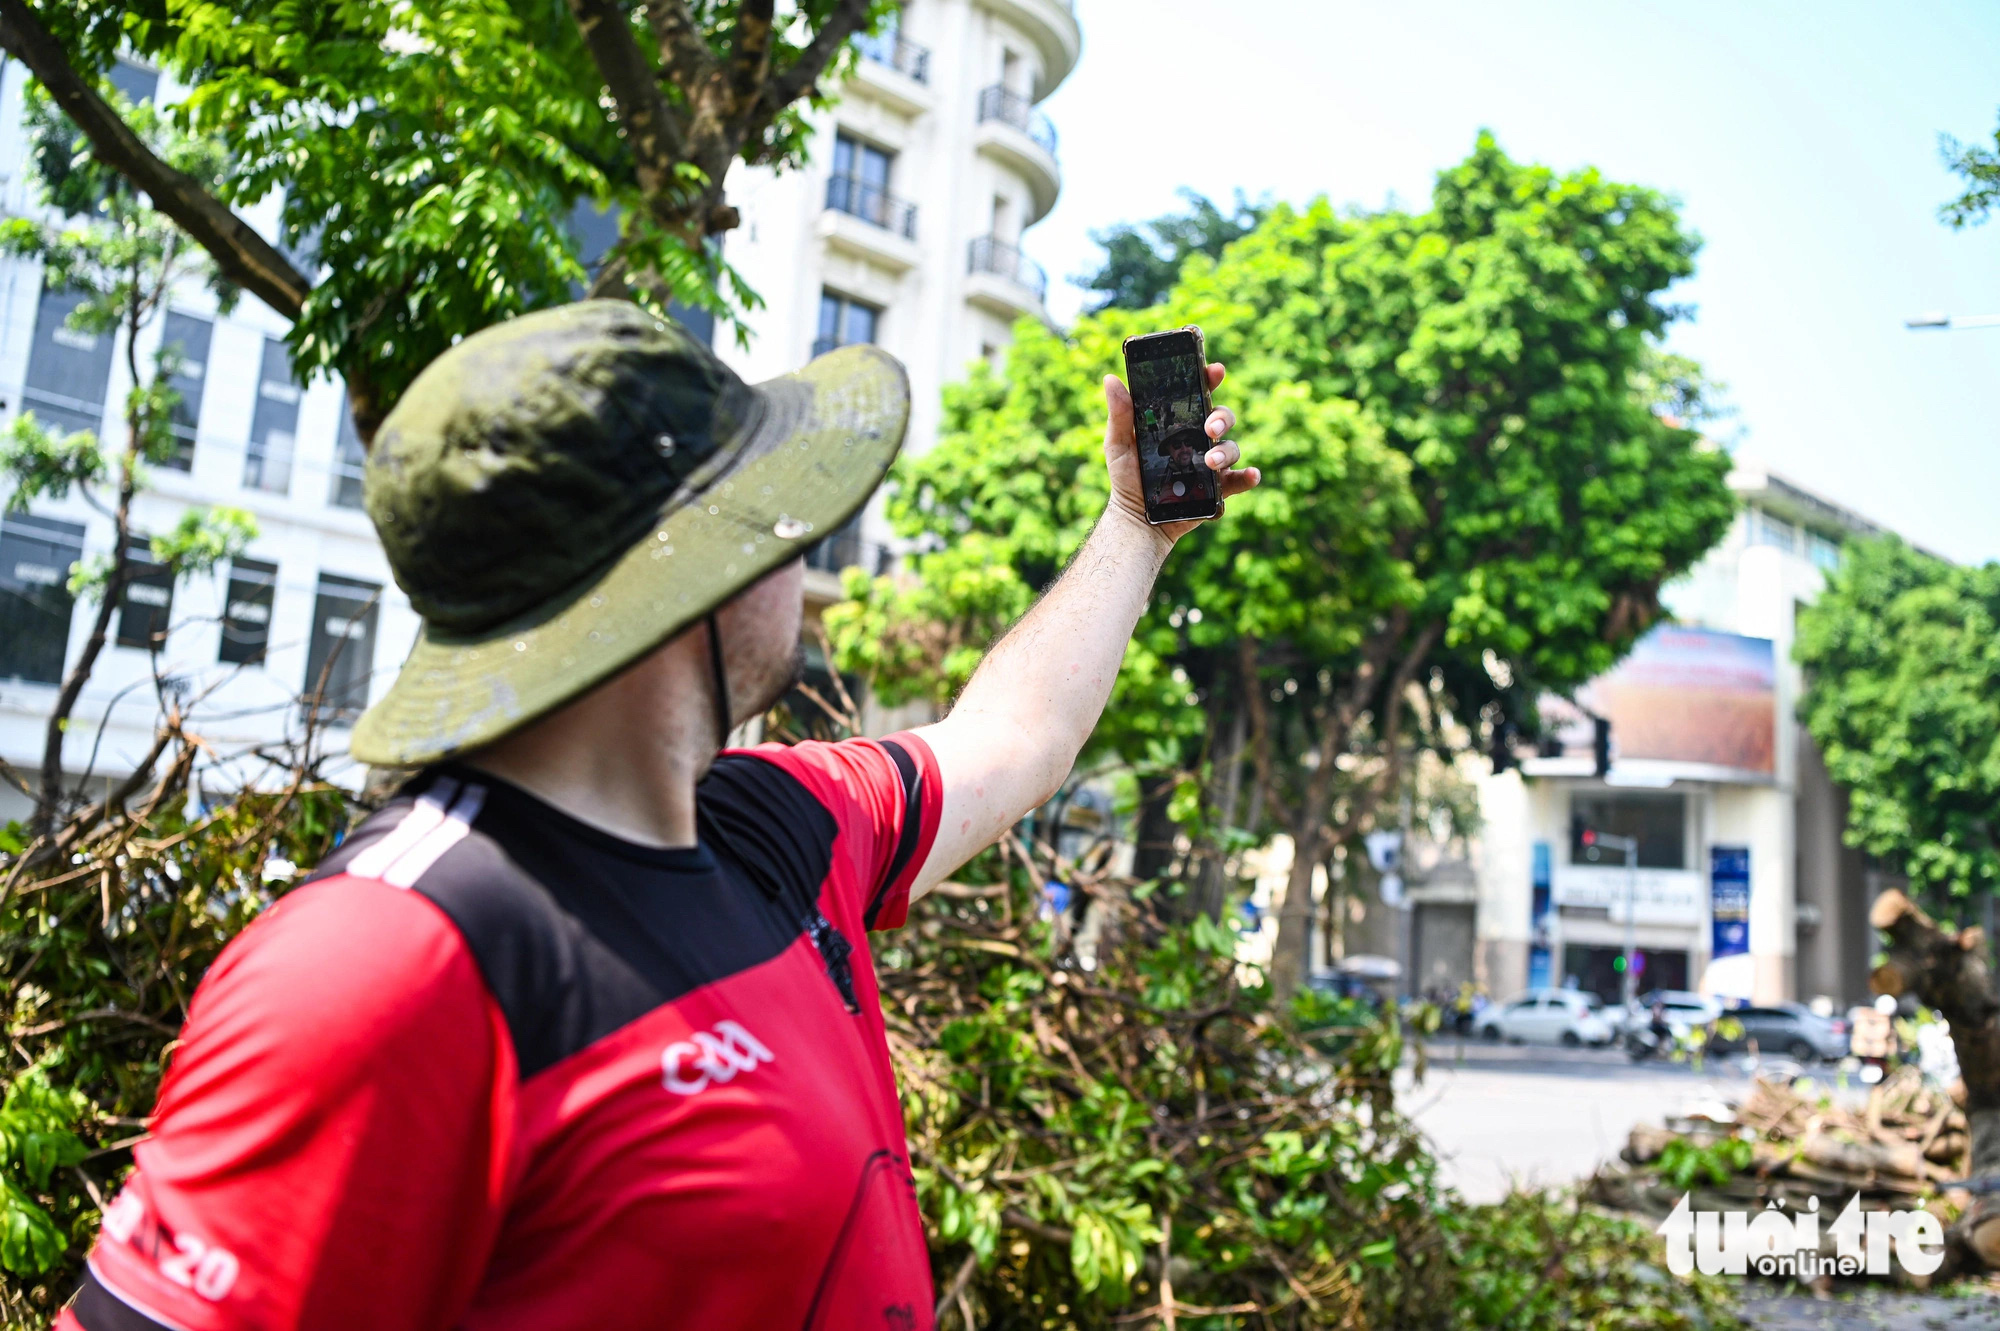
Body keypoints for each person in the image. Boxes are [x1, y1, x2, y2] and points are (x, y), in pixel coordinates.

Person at [57, 301, 1258, 1331]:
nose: (802, 546)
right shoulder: (389, 956)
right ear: (688, 577)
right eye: (774, 511)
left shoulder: (774, 829)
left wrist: (1133, 531)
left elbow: (1013, 740)